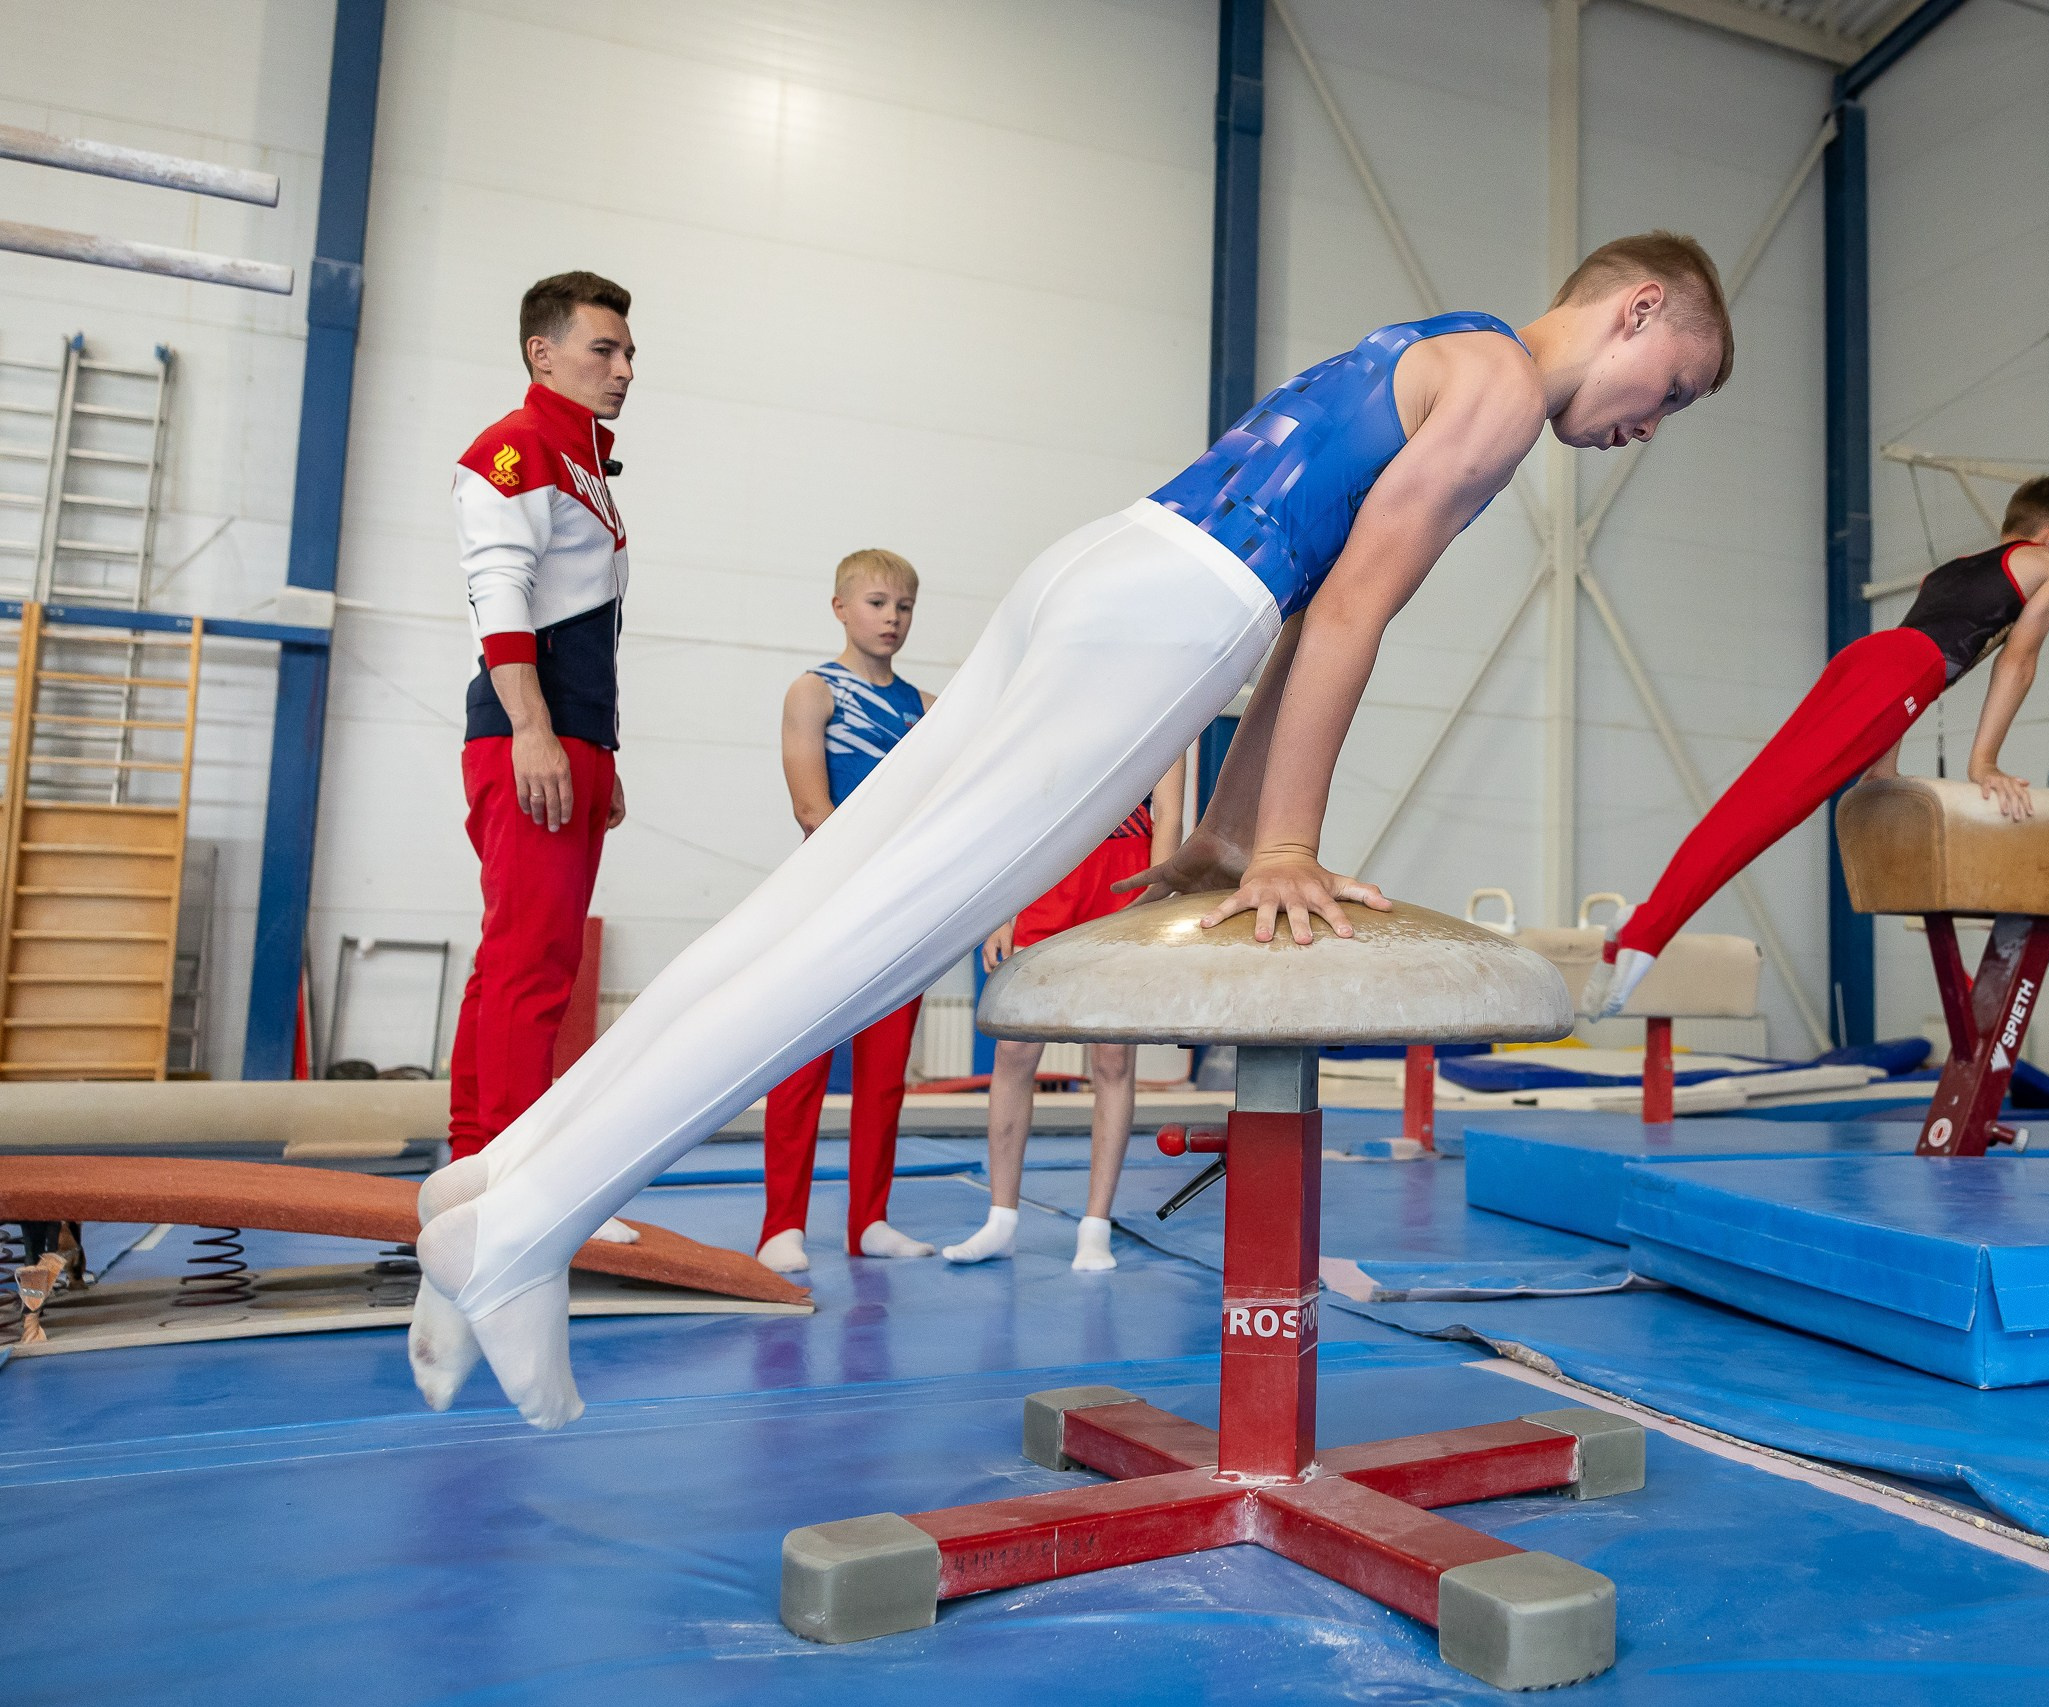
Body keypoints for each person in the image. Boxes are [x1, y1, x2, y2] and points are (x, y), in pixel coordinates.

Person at [409, 230, 1737, 1430]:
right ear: (1631, 311)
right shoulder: (1503, 394)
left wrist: (1223, 833)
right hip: (1181, 613)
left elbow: (1317, 605)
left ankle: (488, 1181)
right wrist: (1283, 849)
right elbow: (1341, 618)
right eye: (1672, 388)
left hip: (1106, 559)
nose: (1651, 427)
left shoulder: (1443, 340)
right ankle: (531, 1231)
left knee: (805, 910)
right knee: (862, 953)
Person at [1586, 475, 2049, 1018]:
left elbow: (1919, 639)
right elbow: (2017, 661)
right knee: (1770, 807)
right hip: (1903, 673)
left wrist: (1885, 765)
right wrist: (1984, 763)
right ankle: (1647, 932)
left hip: (1869, 658)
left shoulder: (1957, 567)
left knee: (1758, 794)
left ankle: (1641, 922)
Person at [446, 272, 636, 1166]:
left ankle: (477, 1163)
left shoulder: (581, 461)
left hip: (570, 732)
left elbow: (584, 608)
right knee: (531, 970)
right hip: (533, 730)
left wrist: (599, 743)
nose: (624, 368)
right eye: (604, 349)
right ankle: (512, 1181)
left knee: (517, 963)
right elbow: (500, 589)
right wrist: (534, 728)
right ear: (543, 352)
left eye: (629, 351)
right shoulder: (515, 448)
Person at [754, 550, 938, 1275]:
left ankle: (870, 1219)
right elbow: (809, 806)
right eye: (876, 602)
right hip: (830, 894)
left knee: (886, 1071)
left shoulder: (925, 707)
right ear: (839, 607)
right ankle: (781, 1224)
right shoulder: (813, 691)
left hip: (900, 902)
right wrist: (869, 875)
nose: (891, 617)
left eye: (904, 606)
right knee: (801, 1065)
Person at [944, 756, 1188, 1273]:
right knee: (1012, 1051)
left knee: (1113, 1062)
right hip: (1050, 875)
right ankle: (1001, 1220)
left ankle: (1094, 1227)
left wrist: (1155, 896)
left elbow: (1168, 814)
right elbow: (1022, 809)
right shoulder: (1069, 691)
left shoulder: (1164, 701)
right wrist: (1004, 912)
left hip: (1124, 880)